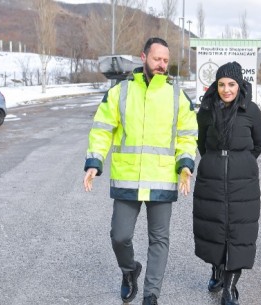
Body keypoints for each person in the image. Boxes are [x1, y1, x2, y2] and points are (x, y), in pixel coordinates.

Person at [83, 37, 198, 305]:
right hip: (128, 178)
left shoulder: (176, 95)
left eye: (166, 60)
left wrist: (185, 164)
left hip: (162, 179)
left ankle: (151, 295)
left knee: (159, 240)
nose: (162, 65)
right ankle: (129, 270)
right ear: (143, 57)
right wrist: (94, 162)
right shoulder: (120, 92)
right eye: (157, 59)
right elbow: (102, 129)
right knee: (119, 236)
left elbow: (187, 135)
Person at [193, 61, 261, 305]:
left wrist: (239, 162)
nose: (226, 89)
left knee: (238, 232)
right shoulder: (206, 110)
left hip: (242, 182)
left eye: (231, 84)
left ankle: (230, 287)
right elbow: (202, 142)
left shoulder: (251, 111)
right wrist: (217, 162)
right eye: (222, 84)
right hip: (211, 180)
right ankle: (216, 271)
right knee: (215, 229)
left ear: (240, 85)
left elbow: (258, 143)